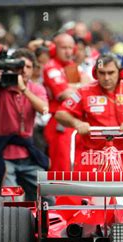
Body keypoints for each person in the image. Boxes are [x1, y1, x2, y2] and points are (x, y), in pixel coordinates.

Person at [55, 53, 123, 172]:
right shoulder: (85, 90)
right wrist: (77, 123)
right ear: (95, 74)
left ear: (120, 73)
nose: (106, 78)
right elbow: (60, 113)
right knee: (92, 190)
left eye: (111, 73)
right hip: (92, 156)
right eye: (102, 73)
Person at [0, 49, 50, 202]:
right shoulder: (1, 88)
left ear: (33, 70)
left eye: (28, 67)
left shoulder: (36, 88)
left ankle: (36, 224)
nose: (24, 71)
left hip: (27, 154)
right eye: (19, 67)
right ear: (12, 68)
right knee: (11, 200)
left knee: (47, 195)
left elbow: (44, 110)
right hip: (2, 155)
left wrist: (23, 89)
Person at [43, 33, 81, 171]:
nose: (68, 51)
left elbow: (90, 84)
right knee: (62, 168)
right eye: (63, 47)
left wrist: (75, 88)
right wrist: (81, 88)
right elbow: (65, 94)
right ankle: (61, 193)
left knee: (76, 166)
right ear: (54, 49)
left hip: (75, 123)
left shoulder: (71, 66)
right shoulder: (51, 67)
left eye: (71, 48)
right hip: (59, 124)